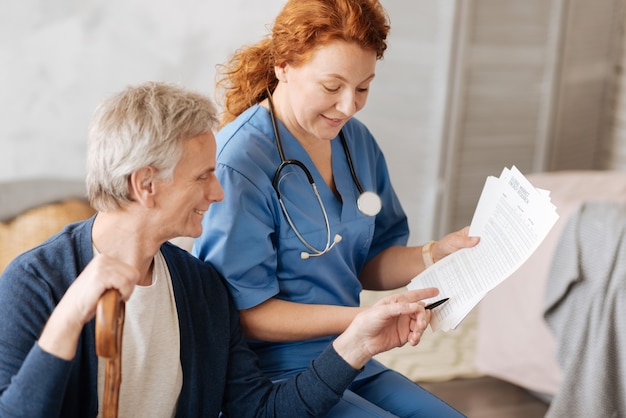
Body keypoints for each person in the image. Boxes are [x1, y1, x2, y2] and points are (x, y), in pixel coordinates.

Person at [0, 81, 441, 418]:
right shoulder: (35, 283)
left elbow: (262, 410)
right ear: (146, 185)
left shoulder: (200, 288)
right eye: (202, 177)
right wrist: (69, 316)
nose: (218, 192)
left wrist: (356, 345)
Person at [192, 0, 480, 416]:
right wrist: (360, 319)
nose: (348, 106)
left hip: (353, 356)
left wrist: (434, 253)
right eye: (332, 87)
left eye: (363, 88)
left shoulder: (355, 142)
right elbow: (245, 313)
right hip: (273, 374)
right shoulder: (239, 163)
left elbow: (368, 260)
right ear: (283, 66)